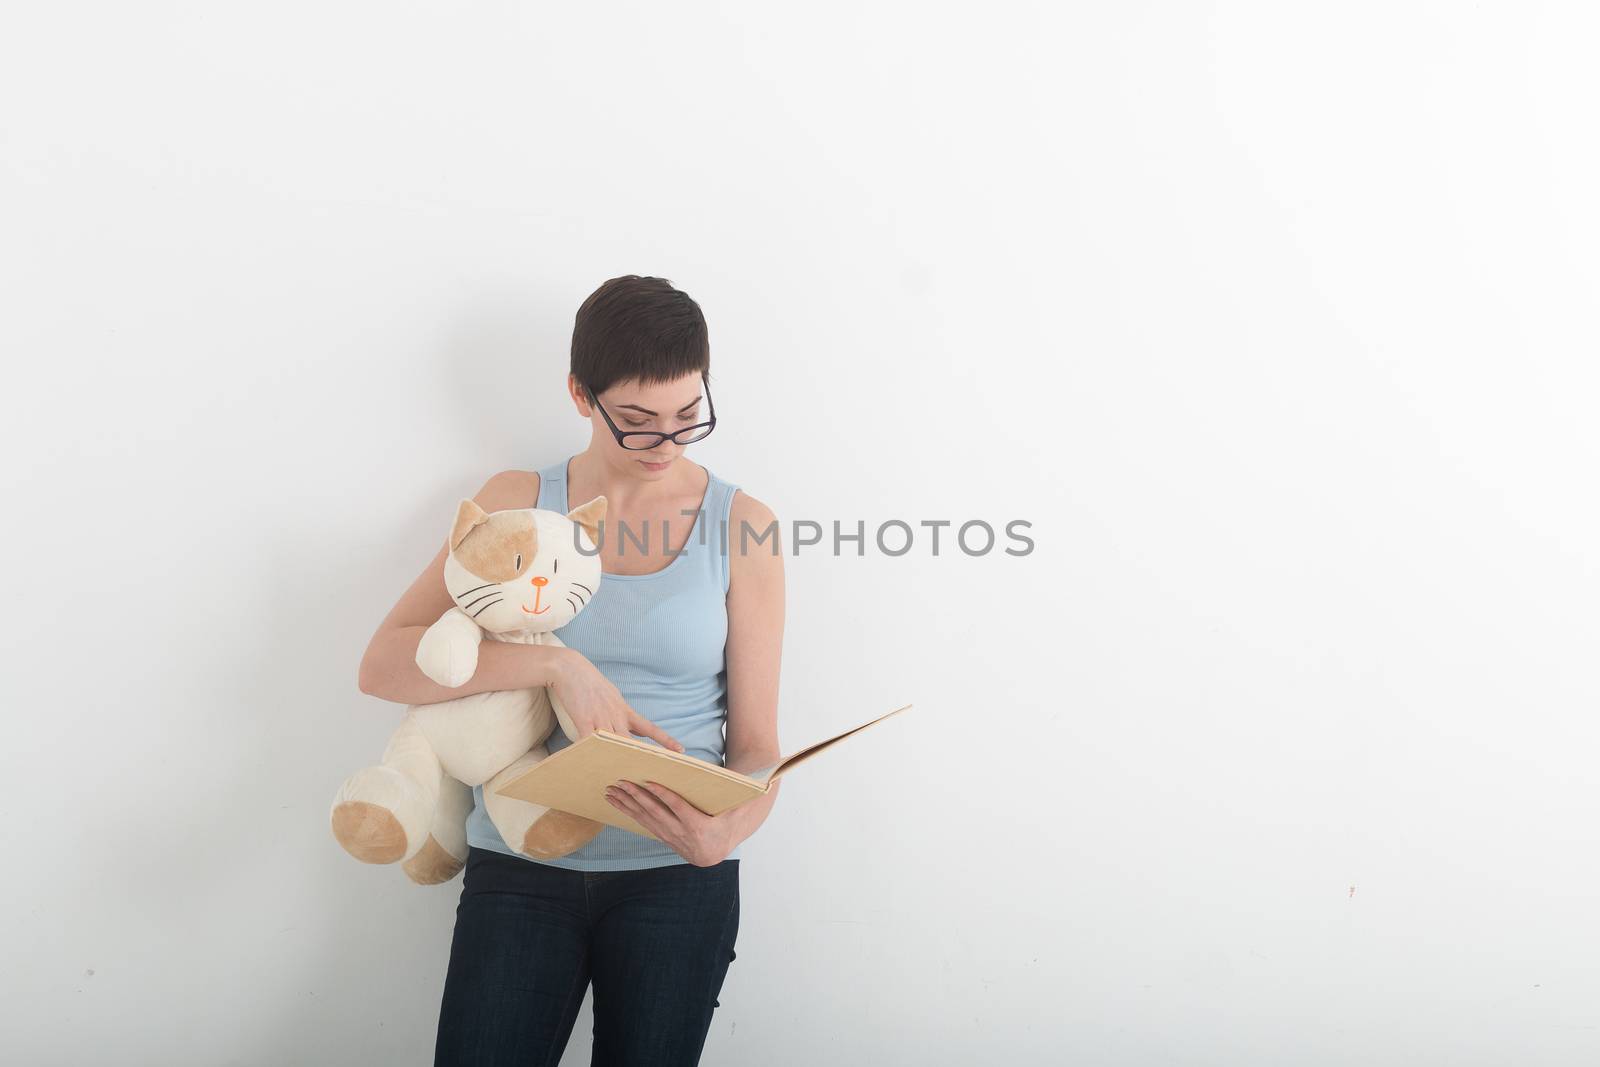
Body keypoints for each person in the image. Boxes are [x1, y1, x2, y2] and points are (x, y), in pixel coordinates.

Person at [356, 275, 785, 1065]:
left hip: (675, 880)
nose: (669, 443)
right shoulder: (519, 500)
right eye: (638, 421)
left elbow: (759, 747)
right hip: (521, 870)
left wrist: (727, 829)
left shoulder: (744, 525)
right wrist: (556, 663)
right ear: (580, 397)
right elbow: (384, 662)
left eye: (689, 417)